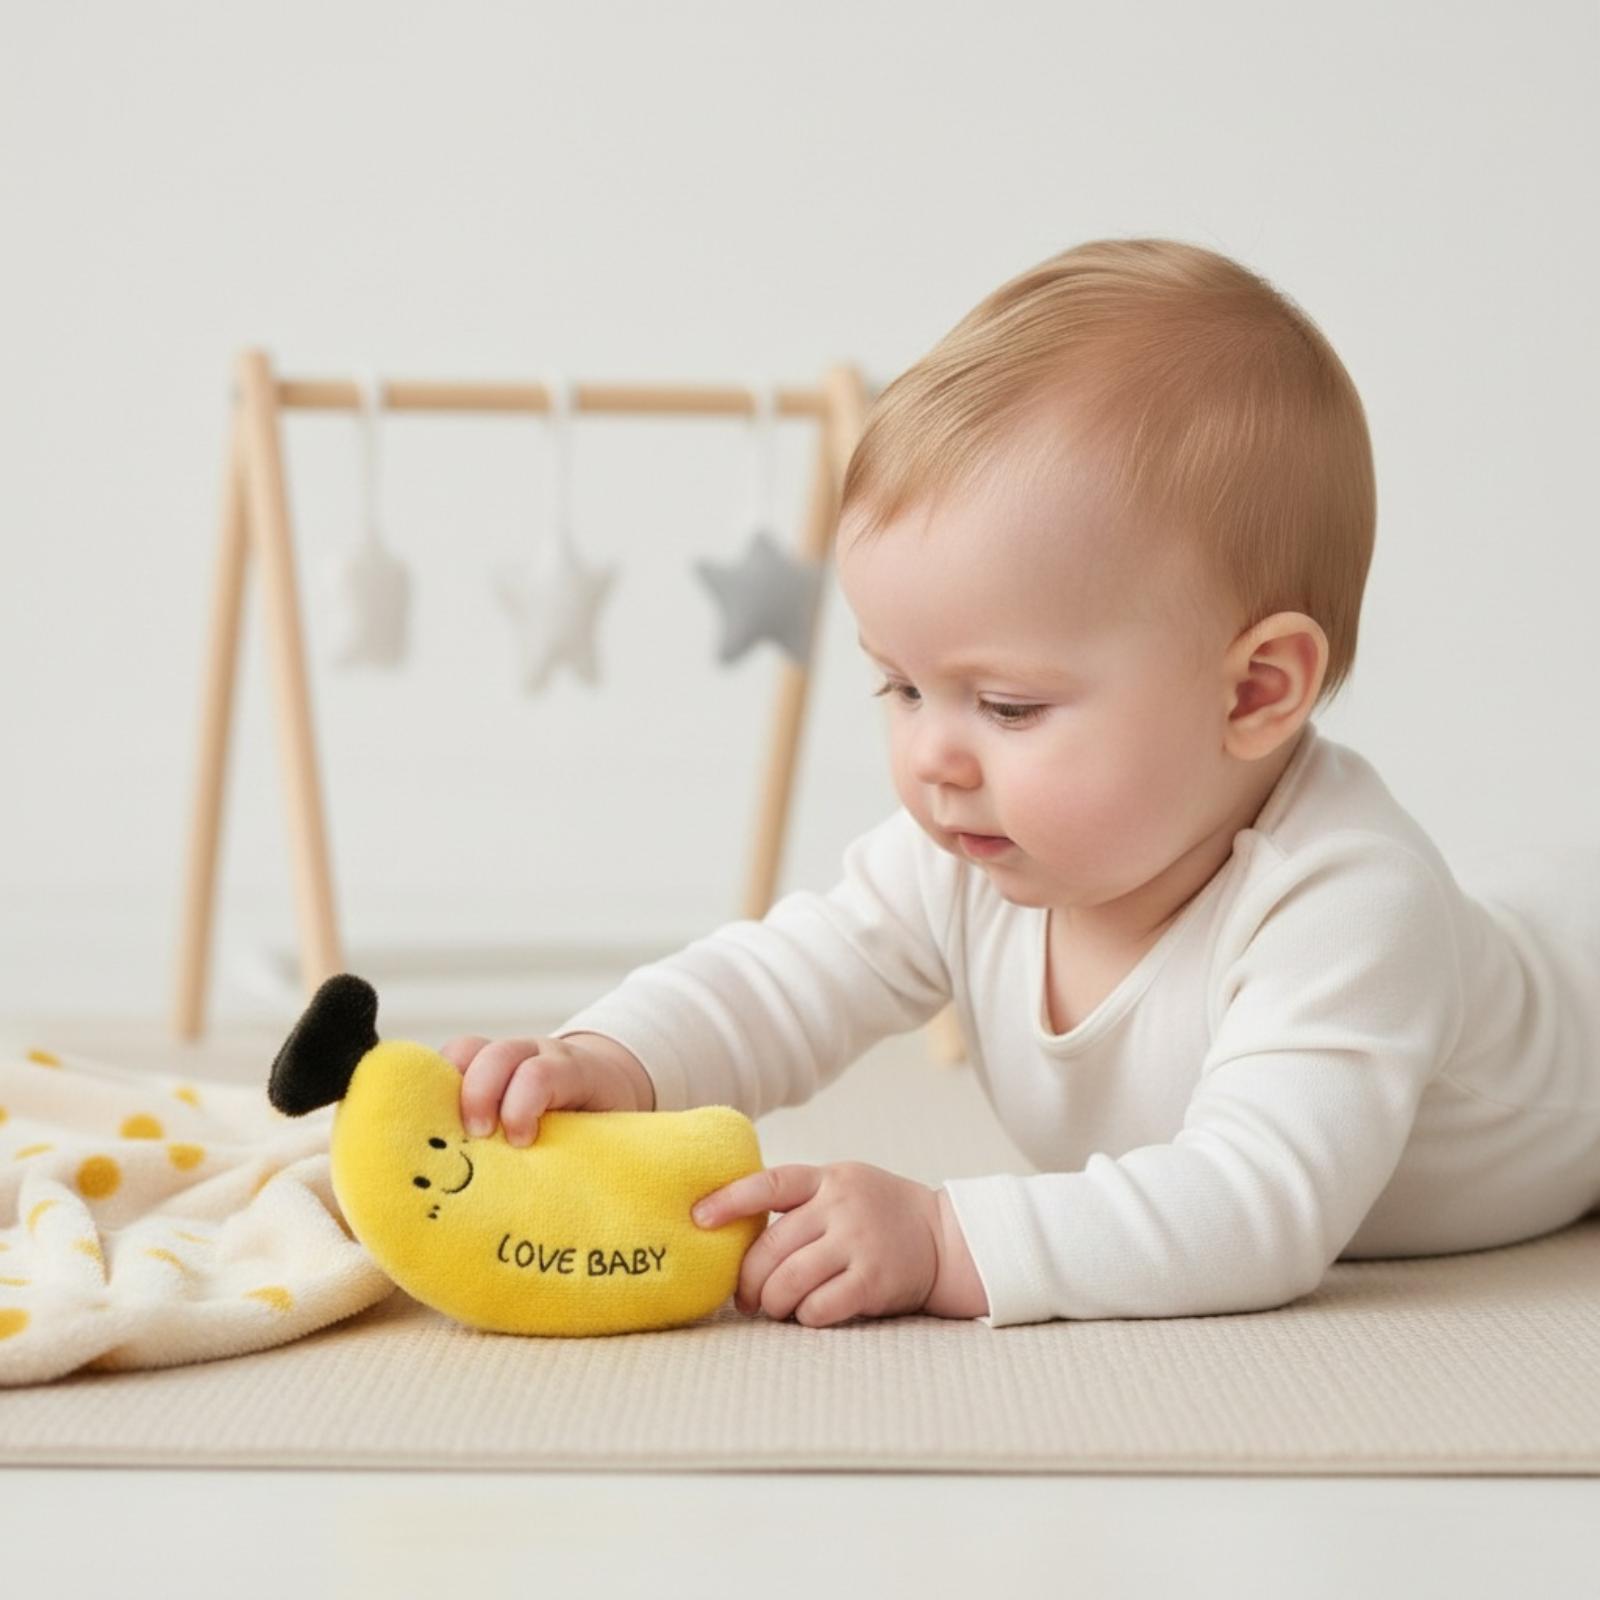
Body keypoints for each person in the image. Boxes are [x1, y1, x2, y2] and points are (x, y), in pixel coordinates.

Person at [441, 238, 1600, 1330]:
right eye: (899, 686)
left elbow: (1254, 1208)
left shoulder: (1346, 904)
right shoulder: (971, 853)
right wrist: (613, 1059)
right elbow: (783, 979)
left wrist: (946, 1237)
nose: (933, 757)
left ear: (1252, 692)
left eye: (1006, 707)